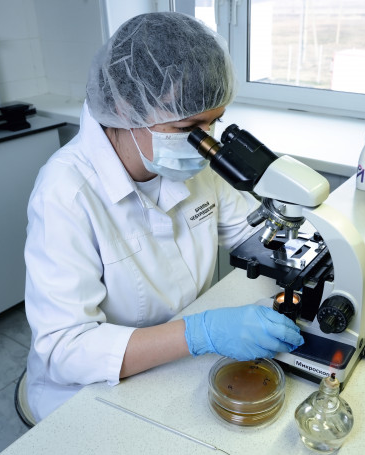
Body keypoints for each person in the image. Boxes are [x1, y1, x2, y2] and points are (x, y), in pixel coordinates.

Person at [23, 12, 304, 423]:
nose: (205, 142)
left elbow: (254, 234)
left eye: (214, 122)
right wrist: (199, 333)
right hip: (90, 392)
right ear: (126, 106)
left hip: (176, 367)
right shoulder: (65, 193)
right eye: (189, 125)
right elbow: (64, 351)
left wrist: (322, 257)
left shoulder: (191, 162)